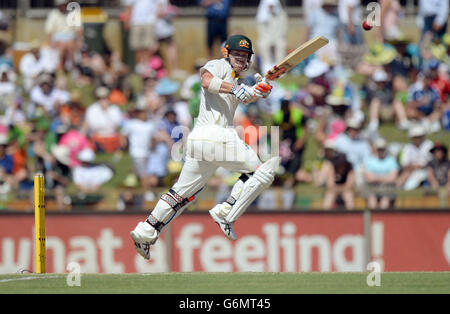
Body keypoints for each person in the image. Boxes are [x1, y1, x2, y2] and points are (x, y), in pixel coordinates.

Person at [130, 34, 277, 260]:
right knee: (261, 171)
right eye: (237, 54)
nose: (241, 59)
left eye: (245, 56)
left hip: (200, 141)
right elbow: (207, 82)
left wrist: (260, 90)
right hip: (215, 135)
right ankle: (226, 210)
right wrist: (236, 89)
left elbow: (246, 95)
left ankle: (146, 231)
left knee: (181, 193)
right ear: (227, 53)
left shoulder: (237, 82)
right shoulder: (218, 65)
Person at [364, 137, 399, 209]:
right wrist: (385, 178)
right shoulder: (370, 161)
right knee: (372, 202)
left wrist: (376, 178)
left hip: (388, 188)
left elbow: (393, 178)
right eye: (379, 149)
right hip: (373, 188)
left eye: (382, 149)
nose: (380, 151)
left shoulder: (391, 160)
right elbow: (369, 179)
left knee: (385, 203)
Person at [397, 124, 433, 190]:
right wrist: (414, 166)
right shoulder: (407, 147)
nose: (417, 139)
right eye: (415, 137)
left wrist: (418, 165)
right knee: (405, 174)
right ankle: (397, 191)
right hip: (411, 170)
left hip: (425, 170)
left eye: (419, 136)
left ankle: (437, 190)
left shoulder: (428, 144)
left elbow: (430, 161)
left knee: (429, 171)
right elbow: (404, 163)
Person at [255, 0, 288, 74]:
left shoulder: (282, 15)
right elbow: (261, 32)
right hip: (266, 38)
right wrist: (270, 39)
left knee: (281, 44)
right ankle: (266, 66)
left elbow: (283, 29)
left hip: (278, 38)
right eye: (269, 6)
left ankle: (280, 66)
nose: (271, 8)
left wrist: (275, 38)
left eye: (272, 6)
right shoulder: (261, 16)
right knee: (262, 44)